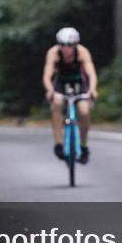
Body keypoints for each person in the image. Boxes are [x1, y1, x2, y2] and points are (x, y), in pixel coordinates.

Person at [43, 27, 98, 163]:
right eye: (62, 44)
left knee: (84, 112)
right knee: (57, 104)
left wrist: (92, 89)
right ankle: (58, 143)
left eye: (69, 45)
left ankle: (83, 145)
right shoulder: (54, 53)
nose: (65, 48)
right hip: (61, 84)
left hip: (79, 84)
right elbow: (47, 75)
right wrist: (50, 90)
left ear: (75, 45)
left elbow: (91, 73)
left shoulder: (82, 52)